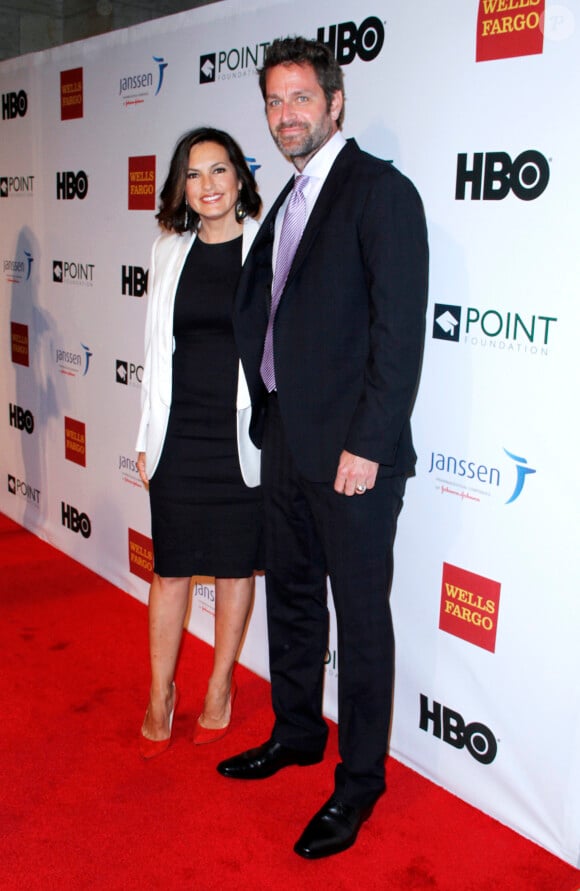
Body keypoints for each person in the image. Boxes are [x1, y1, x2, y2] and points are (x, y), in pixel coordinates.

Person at [217, 38, 429, 859]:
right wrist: (267, 416)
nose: (286, 114)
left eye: (301, 97)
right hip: (286, 445)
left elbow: (396, 333)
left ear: (335, 102)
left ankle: (360, 780)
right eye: (273, 101)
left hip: (353, 459)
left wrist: (369, 443)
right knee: (294, 603)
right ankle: (298, 731)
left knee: (361, 622)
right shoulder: (287, 202)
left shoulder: (380, 193)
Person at [135, 127, 263, 758]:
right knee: (171, 570)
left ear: (239, 177)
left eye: (219, 170)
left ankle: (219, 685)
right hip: (179, 434)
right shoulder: (167, 250)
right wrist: (144, 434)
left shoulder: (268, 247)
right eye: (194, 173)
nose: (208, 185)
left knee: (237, 567)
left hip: (241, 436)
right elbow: (154, 353)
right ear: (180, 186)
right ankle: (160, 693)